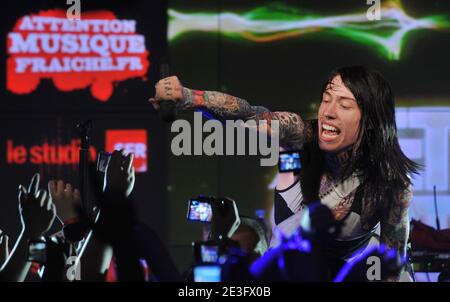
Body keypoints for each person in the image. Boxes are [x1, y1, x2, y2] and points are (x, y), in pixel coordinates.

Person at [150, 65, 419, 281]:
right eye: (327, 99)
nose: (328, 113)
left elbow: (391, 264)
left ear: (371, 121)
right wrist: (190, 97)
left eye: (344, 105)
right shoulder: (300, 135)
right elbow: (247, 115)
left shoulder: (390, 186)